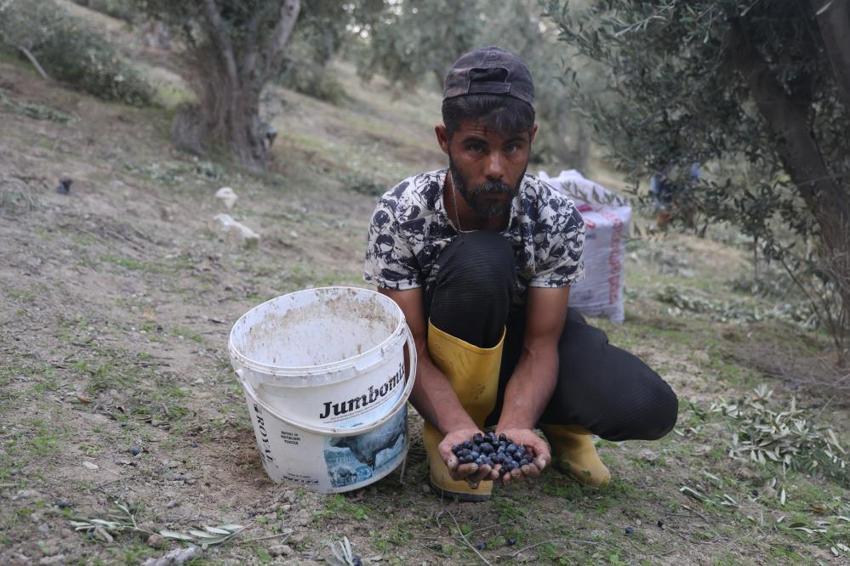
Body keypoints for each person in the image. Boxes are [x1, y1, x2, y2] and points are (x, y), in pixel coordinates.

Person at [363, 47, 678, 501]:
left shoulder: (556, 216)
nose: (496, 168)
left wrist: (516, 422)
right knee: (481, 259)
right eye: (476, 146)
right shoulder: (401, 212)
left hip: (522, 343)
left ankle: (555, 423)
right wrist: (456, 425)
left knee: (647, 405)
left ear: (531, 139)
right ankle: (453, 430)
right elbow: (408, 345)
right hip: (448, 348)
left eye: (512, 147)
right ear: (444, 139)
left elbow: (541, 343)